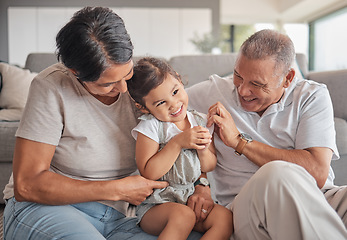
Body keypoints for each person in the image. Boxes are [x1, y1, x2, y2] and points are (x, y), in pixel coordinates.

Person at [2, 7, 202, 240]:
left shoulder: (143, 86)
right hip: (46, 207)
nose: (124, 89)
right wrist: (117, 190)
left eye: (126, 74)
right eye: (108, 84)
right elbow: (27, 185)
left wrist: (202, 185)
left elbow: (189, 120)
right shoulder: (51, 86)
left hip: (117, 218)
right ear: (75, 72)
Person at [186, 29, 347, 239]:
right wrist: (202, 182)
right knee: (277, 174)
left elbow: (316, 172)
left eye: (257, 84)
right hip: (248, 211)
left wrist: (239, 142)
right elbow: (162, 101)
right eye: (238, 76)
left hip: (321, 198)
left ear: (288, 78)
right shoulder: (212, 91)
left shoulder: (311, 96)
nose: (243, 90)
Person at [127, 57, 233, 240]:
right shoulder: (151, 126)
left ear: (179, 79)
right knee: (183, 216)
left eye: (175, 92)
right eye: (161, 103)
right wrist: (177, 143)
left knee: (224, 218)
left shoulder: (199, 120)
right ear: (143, 107)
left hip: (189, 197)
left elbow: (209, 166)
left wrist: (202, 149)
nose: (174, 104)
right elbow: (149, 172)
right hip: (157, 204)